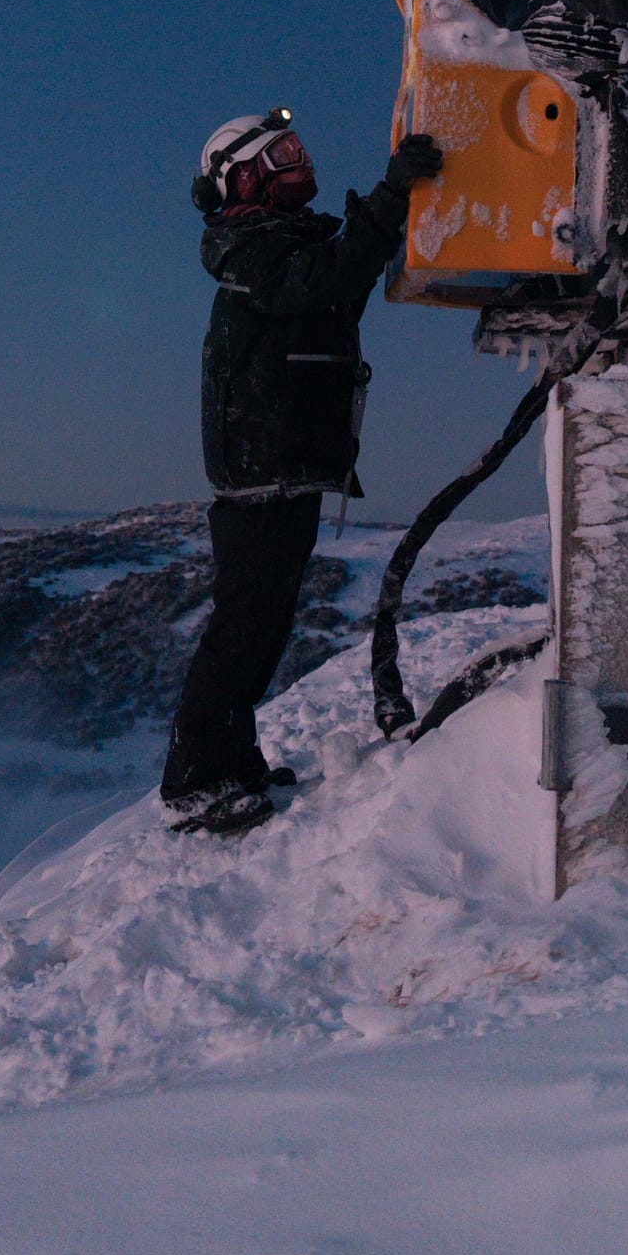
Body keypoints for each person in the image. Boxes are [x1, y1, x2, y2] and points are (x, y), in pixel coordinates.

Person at [159, 106, 443, 836]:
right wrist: (388, 199)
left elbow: (337, 283)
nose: (299, 160)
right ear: (246, 176)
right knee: (243, 631)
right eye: (282, 151)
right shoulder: (250, 252)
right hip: (262, 473)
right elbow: (325, 278)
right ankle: (196, 779)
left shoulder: (277, 250)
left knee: (261, 625)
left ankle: (231, 760)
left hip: (282, 467)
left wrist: (381, 218)